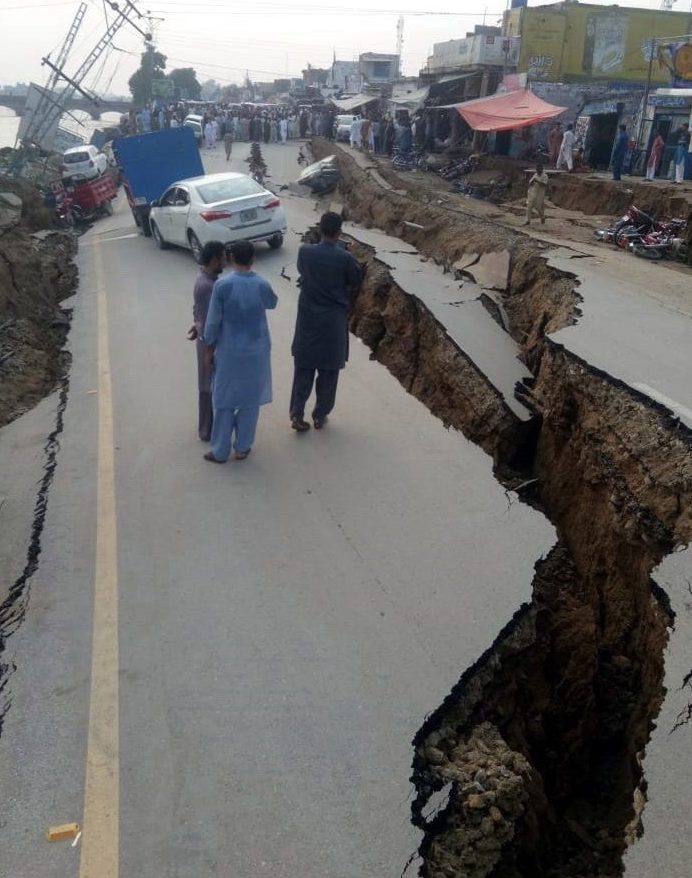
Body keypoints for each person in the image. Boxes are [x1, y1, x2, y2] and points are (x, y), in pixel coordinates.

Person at [203, 240, 278, 463]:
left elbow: (212, 323)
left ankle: (219, 450)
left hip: (229, 352)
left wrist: (208, 348)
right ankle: (243, 447)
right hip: (257, 351)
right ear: (252, 259)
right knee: (250, 400)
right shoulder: (262, 284)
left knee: (224, 400)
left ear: (231, 259)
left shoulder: (223, 286)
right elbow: (272, 303)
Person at [289, 212, 362, 432]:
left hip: (308, 320)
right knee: (329, 372)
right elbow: (356, 281)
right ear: (339, 232)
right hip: (333, 322)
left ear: (320, 229)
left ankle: (297, 413)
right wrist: (352, 255)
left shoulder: (305, 252)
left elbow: (303, 271)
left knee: (303, 368)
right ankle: (320, 415)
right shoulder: (345, 258)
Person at [188, 241, 226, 442]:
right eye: (223, 257)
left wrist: (196, 324)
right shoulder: (208, 286)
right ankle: (207, 430)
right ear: (214, 259)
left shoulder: (204, 279)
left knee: (208, 384)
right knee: (208, 386)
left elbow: (199, 312)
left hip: (204, 339)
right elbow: (211, 321)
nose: (226, 262)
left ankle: (208, 427)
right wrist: (210, 349)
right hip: (208, 343)